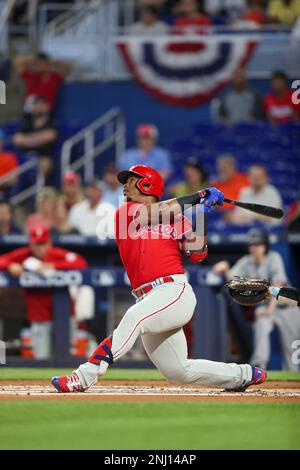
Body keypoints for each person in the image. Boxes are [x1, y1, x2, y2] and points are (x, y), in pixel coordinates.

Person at [52, 164, 266, 393]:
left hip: (173, 292)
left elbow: (198, 253)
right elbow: (154, 213)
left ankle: (84, 376)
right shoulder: (126, 213)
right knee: (178, 372)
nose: (125, 185)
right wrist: (199, 196)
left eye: (132, 179)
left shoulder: (177, 219)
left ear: (147, 184)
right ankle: (243, 375)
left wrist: (202, 214)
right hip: (147, 299)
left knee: (134, 317)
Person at [213, 228, 300, 371]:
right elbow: (233, 281)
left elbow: (278, 285)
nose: (254, 247)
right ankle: (258, 367)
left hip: (286, 307)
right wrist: (225, 268)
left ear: (264, 245)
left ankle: (291, 376)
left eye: (258, 244)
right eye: (252, 245)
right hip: (266, 307)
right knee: (262, 326)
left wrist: (269, 310)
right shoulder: (246, 261)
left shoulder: (274, 257)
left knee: (290, 349)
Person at [0, 224, 87, 359]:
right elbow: (2, 259)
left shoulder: (56, 254)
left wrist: (52, 266)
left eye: (42, 244)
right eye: (36, 244)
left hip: (64, 314)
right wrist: (10, 265)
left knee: (66, 357)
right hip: (39, 315)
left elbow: (80, 262)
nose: (39, 248)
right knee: (41, 357)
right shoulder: (25, 255)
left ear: (49, 243)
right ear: (31, 244)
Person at [13, 96, 58, 180]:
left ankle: (38, 189)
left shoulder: (51, 122)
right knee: (13, 164)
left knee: (44, 165)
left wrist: (27, 139)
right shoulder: (27, 121)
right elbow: (17, 139)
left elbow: (50, 136)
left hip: (44, 157)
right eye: (36, 104)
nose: (39, 107)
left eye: (42, 105)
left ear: (46, 107)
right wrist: (39, 138)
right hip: (25, 156)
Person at [0, 129, 19, 196]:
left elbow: (14, 179)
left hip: (5, 193)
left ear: (2, 142)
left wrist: (2, 181)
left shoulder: (9, 157)